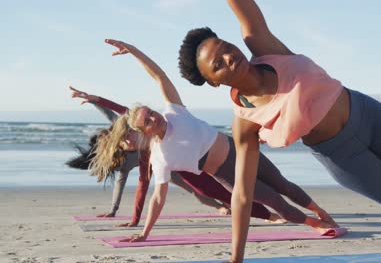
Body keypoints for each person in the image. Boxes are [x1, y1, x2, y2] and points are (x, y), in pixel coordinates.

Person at [177, 0, 381, 261]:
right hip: (343, 156)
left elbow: (244, 7)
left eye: (226, 48)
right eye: (218, 64)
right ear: (214, 82)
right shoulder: (245, 122)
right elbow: (242, 194)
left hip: (369, 115)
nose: (229, 57)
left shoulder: (265, 49)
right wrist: (236, 258)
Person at [103, 38, 338, 242]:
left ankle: (321, 211)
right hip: (227, 175)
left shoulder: (175, 111)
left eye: (151, 112)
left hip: (241, 150)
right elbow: (157, 199)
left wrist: (133, 51)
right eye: (148, 121)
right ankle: (315, 224)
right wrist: (145, 233)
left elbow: (159, 75)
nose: (154, 118)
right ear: (145, 131)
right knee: (276, 201)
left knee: (283, 185)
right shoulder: (160, 156)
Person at [68, 87, 286, 225]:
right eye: (125, 144)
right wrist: (134, 220)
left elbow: (118, 111)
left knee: (237, 179)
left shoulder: (134, 125)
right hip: (176, 166)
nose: (128, 142)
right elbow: (143, 184)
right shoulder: (138, 157)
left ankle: (276, 198)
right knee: (206, 190)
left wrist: (95, 98)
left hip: (189, 150)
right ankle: (268, 215)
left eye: (127, 138)